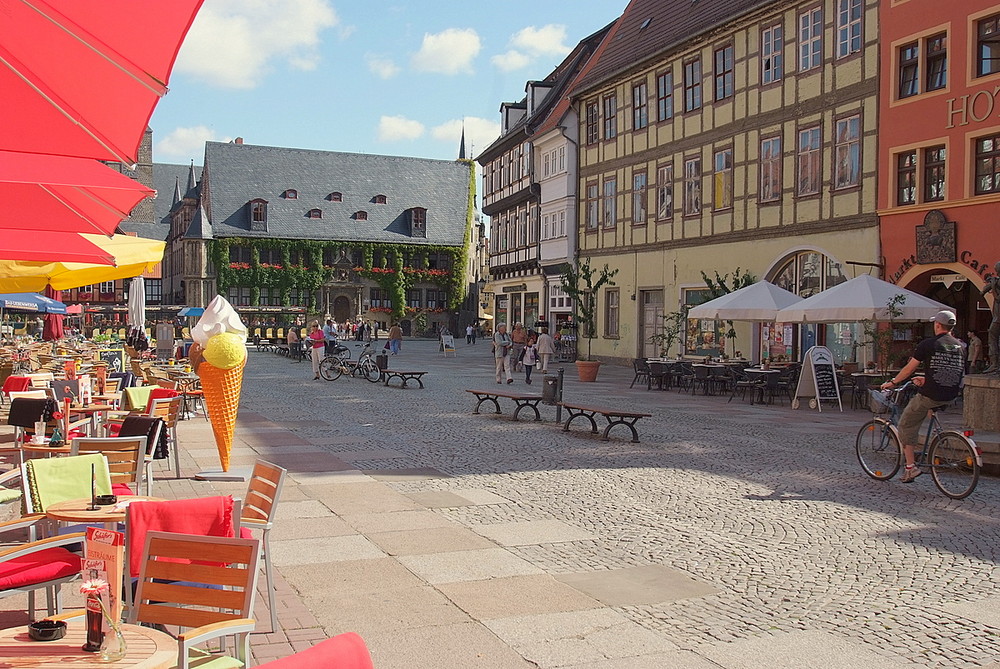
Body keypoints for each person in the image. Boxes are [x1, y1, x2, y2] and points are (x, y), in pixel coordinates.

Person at [879, 310, 965, 483]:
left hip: (931, 395)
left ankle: (910, 468)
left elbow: (909, 368)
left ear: (938, 325)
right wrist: (927, 379)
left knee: (906, 423)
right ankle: (935, 439)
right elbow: (950, 370)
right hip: (952, 394)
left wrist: (894, 382)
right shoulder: (959, 346)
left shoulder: (928, 344)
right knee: (925, 411)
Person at [983, 262, 1000, 373]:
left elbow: (998, 298)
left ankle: (994, 364)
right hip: (997, 317)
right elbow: (982, 291)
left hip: (998, 318)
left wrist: (993, 287)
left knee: (992, 337)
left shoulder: (996, 282)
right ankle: (994, 364)